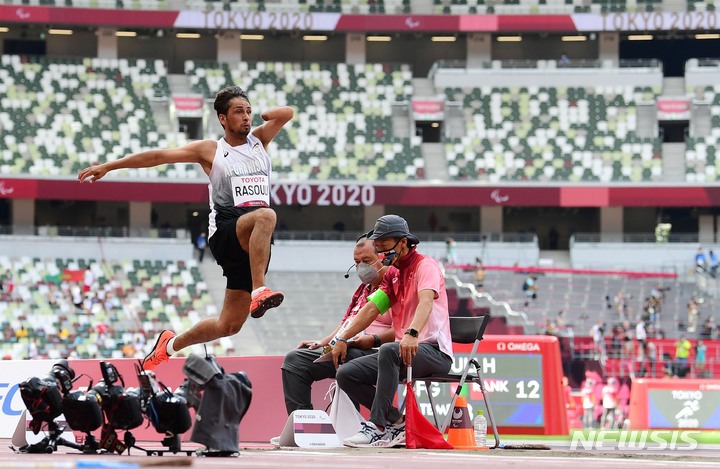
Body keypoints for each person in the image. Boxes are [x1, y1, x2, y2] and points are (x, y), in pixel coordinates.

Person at [78, 85, 293, 371]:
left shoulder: (259, 141)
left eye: (249, 112)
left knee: (229, 325)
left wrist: (266, 113)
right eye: (239, 112)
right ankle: (259, 291)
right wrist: (110, 166)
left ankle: (169, 345)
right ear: (222, 119)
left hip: (255, 243)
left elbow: (287, 114)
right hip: (228, 230)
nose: (247, 117)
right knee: (266, 215)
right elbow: (158, 157)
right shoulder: (211, 150)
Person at [330, 214, 453, 447]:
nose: (381, 252)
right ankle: (397, 423)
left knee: (388, 350)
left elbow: (426, 302)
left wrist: (412, 333)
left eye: (385, 246)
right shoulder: (393, 274)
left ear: (403, 242)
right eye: (378, 246)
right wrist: (341, 338)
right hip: (401, 352)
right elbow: (370, 310)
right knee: (346, 374)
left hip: (433, 352)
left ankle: (377, 427)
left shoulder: (425, 266)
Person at [280, 236, 395, 415]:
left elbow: (404, 330)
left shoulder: (395, 285)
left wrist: (372, 339)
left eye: (366, 261)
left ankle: (389, 419)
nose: (361, 267)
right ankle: (302, 424)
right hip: (352, 346)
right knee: (295, 360)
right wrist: (325, 341)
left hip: (380, 351)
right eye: (356, 262)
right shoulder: (363, 290)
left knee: (345, 361)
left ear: (382, 257)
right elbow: (347, 323)